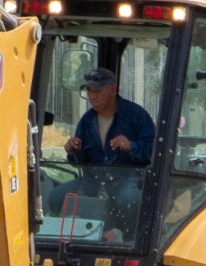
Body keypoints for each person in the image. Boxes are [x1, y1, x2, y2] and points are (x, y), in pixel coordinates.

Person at [47, 67, 157, 231]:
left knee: (129, 201)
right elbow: (81, 162)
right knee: (55, 198)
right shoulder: (86, 121)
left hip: (126, 180)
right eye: (89, 91)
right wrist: (73, 151)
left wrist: (131, 146)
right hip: (92, 182)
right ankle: (76, 240)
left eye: (97, 91)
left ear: (112, 89)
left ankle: (127, 238)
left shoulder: (137, 116)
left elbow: (154, 151)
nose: (92, 96)